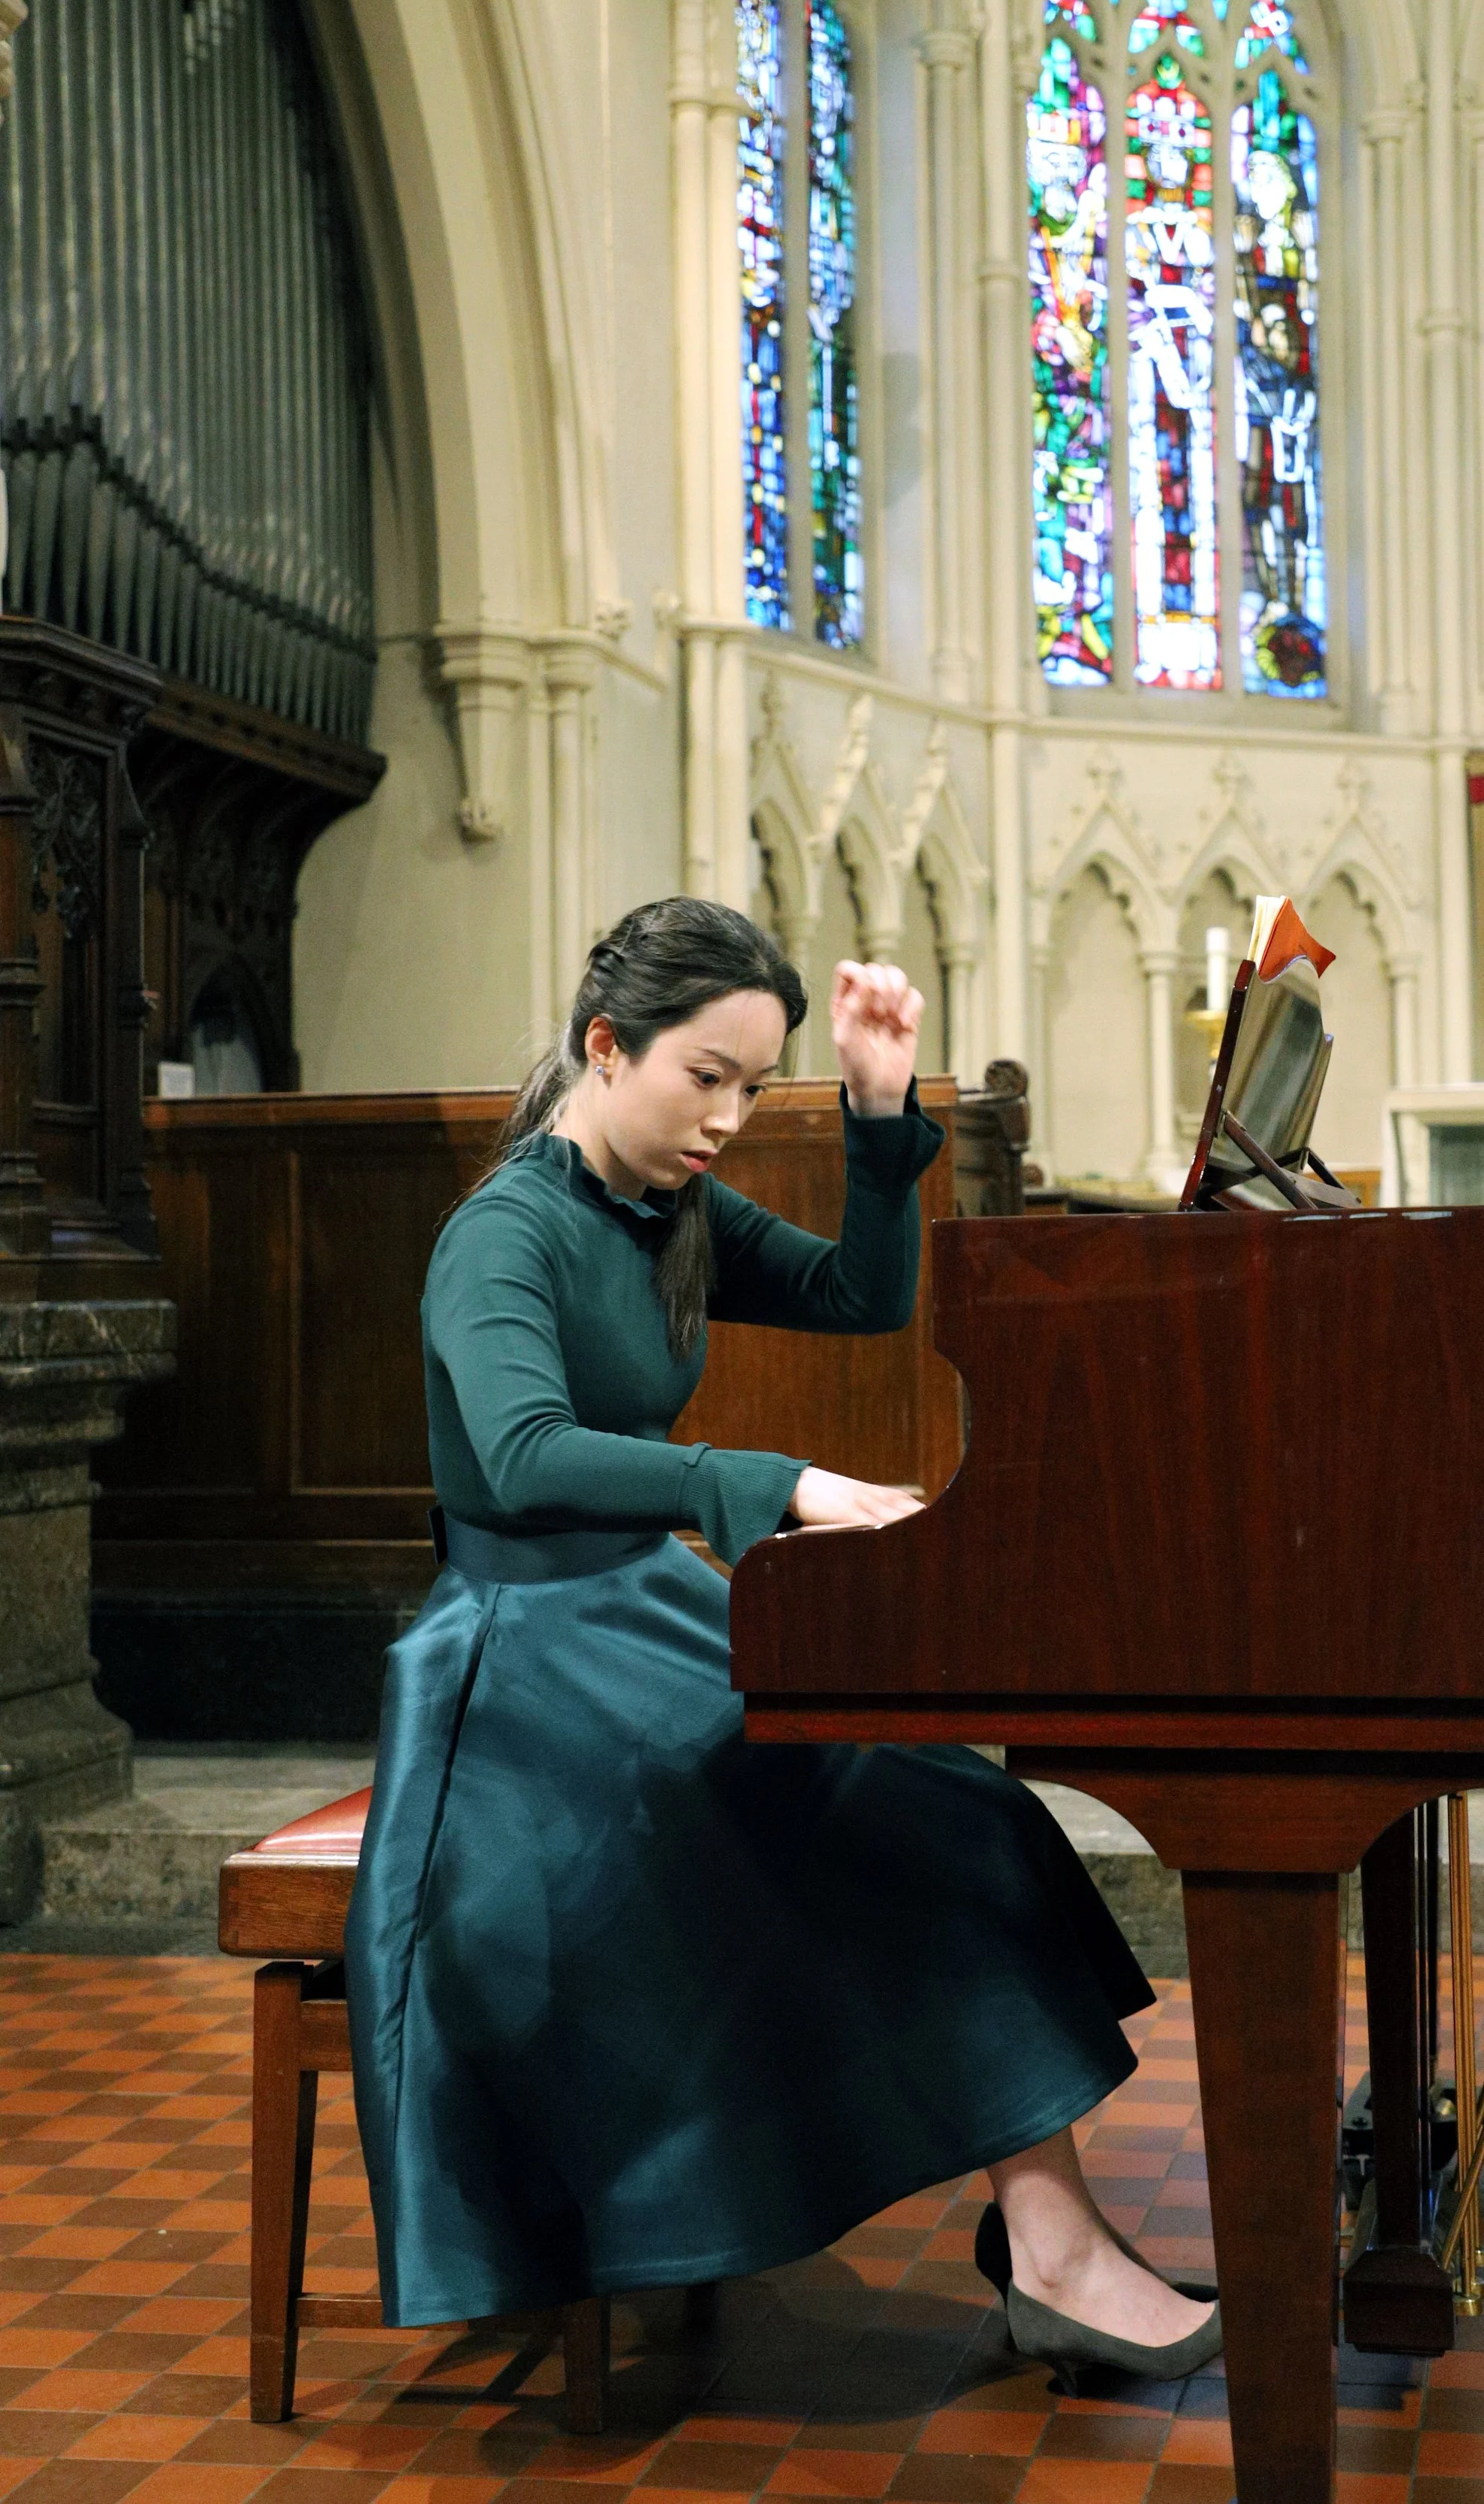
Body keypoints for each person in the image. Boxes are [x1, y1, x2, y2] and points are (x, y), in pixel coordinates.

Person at [346, 896, 1220, 2387]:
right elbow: (519, 1456)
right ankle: (1051, 2249)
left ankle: (1046, 2236)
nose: (729, 1120)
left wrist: (880, 1117)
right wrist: (769, 1486)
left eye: (754, 1087)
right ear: (603, 1044)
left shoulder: (664, 1205)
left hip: (643, 1615)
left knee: (956, 1803)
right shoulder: (501, 1235)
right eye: (707, 1076)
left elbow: (860, 1295)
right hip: (523, 1670)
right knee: (894, 1813)